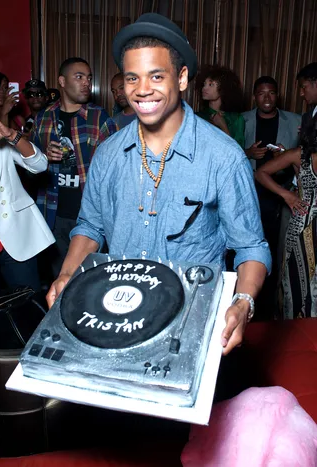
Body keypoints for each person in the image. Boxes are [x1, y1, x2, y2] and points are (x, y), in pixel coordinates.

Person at [46, 13, 271, 356]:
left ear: (181, 79)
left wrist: (243, 302)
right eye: (132, 78)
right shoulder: (107, 154)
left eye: (156, 76)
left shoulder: (223, 157)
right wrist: (65, 274)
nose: (142, 89)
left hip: (190, 323)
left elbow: (251, 247)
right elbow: (90, 225)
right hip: (117, 318)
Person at [30, 57, 117, 277]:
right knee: (59, 279)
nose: (86, 83)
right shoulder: (43, 118)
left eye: (88, 78)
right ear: (61, 81)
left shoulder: (100, 118)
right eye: (79, 77)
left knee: (90, 281)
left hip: (89, 217)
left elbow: (116, 172)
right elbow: (28, 166)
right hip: (52, 213)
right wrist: (43, 157)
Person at [255, 64, 317, 319]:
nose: (301, 93)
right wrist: (288, 194)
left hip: (303, 224)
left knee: (299, 284)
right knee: (298, 284)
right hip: (302, 228)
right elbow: (259, 172)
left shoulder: (299, 154)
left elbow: (261, 173)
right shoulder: (298, 154)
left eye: (304, 87)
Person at [243, 76, 301, 318]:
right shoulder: (242, 120)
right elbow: (228, 153)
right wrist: (248, 153)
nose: (267, 98)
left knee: (279, 253)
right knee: (251, 248)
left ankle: (273, 306)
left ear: (278, 95)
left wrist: (287, 155)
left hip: (283, 195)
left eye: (272, 93)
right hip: (250, 194)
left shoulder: (296, 121)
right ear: (255, 96)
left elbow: (303, 158)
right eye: (262, 94)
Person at [0, 117, 55, 292]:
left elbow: (40, 165)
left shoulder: (1, 139)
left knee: (29, 309)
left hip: (14, 238)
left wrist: (11, 135)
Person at [197, 65, 245, 148]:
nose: (204, 88)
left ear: (223, 88)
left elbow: (238, 152)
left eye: (210, 84)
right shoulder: (198, 117)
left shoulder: (236, 119)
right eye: (204, 84)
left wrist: (223, 126)